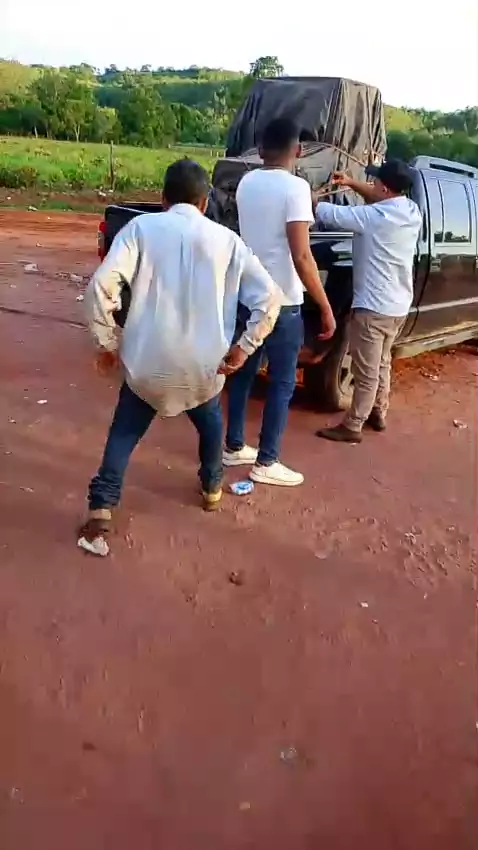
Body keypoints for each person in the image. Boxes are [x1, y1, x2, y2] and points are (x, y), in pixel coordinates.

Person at [79, 159, 281, 555]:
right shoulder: (228, 241)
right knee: (210, 426)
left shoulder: (140, 229)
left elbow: (100, 287)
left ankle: (101, 508)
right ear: (204, 202)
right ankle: (211, 487)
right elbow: (270, 298)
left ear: (163, 199)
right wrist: (244, 347)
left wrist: (106, 342)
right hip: (204, 369)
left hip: (146, 366)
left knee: (123, 433)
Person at [223, 118, 336, 487]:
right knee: (283, 382)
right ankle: (267, 460)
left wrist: (307, 200)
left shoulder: (247, 182)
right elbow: (301, 255)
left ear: (260, 149)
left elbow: (269, 216)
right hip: (284, 301)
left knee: (243, 372)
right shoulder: (296, 188)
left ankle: (234, 445)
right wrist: (325, 306)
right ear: (298, 150)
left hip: (248, 295)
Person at [315, 159, 422, 443]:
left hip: (373, 307)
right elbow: (378, 197)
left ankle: (353, 425)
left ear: (385, 188)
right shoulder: (411, 211)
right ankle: (378, 411)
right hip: (397, 306)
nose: (372, 184)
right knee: (382, 361)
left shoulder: (373, 217)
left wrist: (307, 196)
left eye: (375, 181)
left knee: (366, 370)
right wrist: (350, 183)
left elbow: (327, 212)